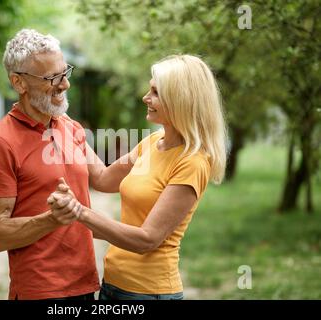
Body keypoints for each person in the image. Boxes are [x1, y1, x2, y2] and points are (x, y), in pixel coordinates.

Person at [48, 54, 227, 300]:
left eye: (155, 92)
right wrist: (73, 132)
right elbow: (102, 178)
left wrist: (80, 212)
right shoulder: (152, 143)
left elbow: (147, 239)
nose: (146, 97)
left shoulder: (192, 162)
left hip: (148, 293)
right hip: (112, 285)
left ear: (180, 99)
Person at [0, 29, 99, 300]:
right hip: (39, 292)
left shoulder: (69, 127)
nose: (64, 84)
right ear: (19, 83)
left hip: (85, 284)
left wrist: (154, 144)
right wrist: (52, 219)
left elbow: (105, 178)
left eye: (66, 72)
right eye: (53, 77)